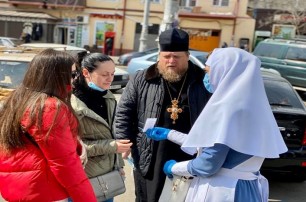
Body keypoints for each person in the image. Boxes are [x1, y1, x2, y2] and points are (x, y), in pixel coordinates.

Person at [145, 47, 288, 201]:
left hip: (223, 191)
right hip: (248, 188)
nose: (206, 77)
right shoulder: (255, 107)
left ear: (224, 72)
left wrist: (173, 167)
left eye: (208, 71)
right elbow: (216, 143)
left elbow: (208, 164)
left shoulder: (227, 107)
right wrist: (170, 134)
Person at [115, 28, 211, 201]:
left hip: (188, 153)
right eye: (166, 57)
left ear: (187, 56)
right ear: (159, 56)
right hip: (150, 153)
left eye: (177, 57)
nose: (171, 61)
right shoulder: (142, 78)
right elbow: (124, 112)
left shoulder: (201, 80)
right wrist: (123, 141)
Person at [0, 48, 96, 202]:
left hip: (17, 188)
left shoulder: (17, 99)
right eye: (72, 75)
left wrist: (75, 144)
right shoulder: (49, 107)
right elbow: (64, 164)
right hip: (45, 191)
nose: (75, 79)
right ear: (57, 76)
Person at [71, 52, 133, 202]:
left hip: (107, 178)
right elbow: (73, 148)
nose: (110, 79)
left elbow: (111, 135)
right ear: (86, 72)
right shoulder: (72, 103)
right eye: (105, 74)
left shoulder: (108, 97)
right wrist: (113, 147)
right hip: (83, 178)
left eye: (112, 74)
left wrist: (118, 166)